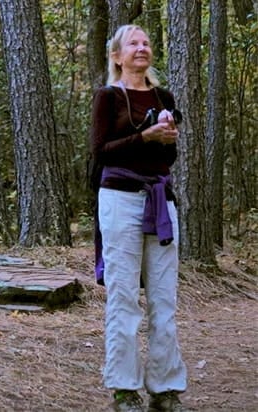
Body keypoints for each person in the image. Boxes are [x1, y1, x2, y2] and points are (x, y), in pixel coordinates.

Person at [89, 25, 188, 412]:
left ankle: (165, 389)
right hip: (119, 201)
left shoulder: (164, 97)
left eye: (146, 43)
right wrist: (144, 137)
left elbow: (168, 159)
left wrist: (165, 140)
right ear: (117, 56)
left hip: (160, 202)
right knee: (124, 297)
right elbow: (100, 152)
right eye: (133, 43)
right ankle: (124, 388)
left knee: (164, 299)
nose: (141, 48)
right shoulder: (108, 97)